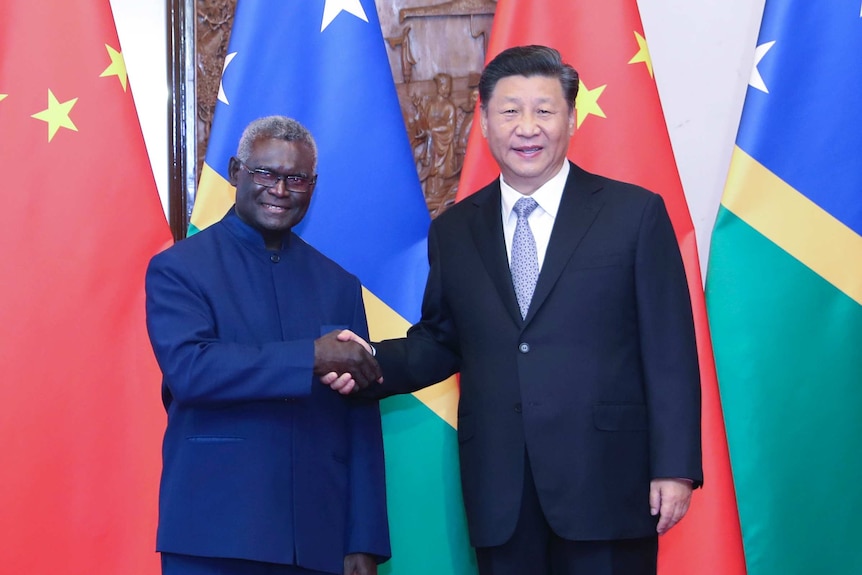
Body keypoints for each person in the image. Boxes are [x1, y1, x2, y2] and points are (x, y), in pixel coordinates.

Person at [336, 45, 702, 575]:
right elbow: (442, 340)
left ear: (571, 119)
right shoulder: (456, 229)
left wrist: (675, 468)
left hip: (607, 483)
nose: (526, 127)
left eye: (544, 110)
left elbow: (669, 350)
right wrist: (367, 364)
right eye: (509, 111)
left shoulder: (634, 214)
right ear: (484, 123)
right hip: (501, 489)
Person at [145, 116, 389, 575]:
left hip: (318, 536)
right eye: (266, 174)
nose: (280, 189)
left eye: (296, 178)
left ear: (312, 186)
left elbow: (360, 416)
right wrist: (311, 356)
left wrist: (364, 537)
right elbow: (192, 371)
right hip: (214, 533)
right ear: (237, 172)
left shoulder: (339, 283)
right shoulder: (180, 269)